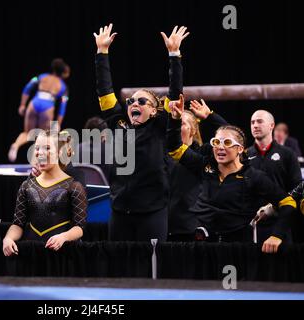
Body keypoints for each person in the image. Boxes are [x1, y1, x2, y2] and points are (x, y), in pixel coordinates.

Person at [94, 24, 188, 241]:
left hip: (152, 212)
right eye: (131, 101)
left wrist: (174, 54)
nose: (134, 103)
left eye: (141, 101)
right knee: (119, 266)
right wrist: (102, 53)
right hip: (120, 211)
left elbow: (175, 96)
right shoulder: (119, 124)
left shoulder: (159, 127)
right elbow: (105, 91)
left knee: (151, 265)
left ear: (155, 110)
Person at [167, 99, 296, 253]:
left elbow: (288, 202)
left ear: (240, 149)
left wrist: (277, 235)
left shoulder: (253, 176)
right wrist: (175, 119)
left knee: (231, 276)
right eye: (216, 142)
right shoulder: (205, 166)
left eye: (227, 143)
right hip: (203, 245)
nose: (220, 147)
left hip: (237, 248)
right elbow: (174, 148)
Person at [2, 130, 87, 256]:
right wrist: (8, 238)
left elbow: (80, 227)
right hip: (31, 252)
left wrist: (64, 237)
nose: (40, 153)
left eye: (47, 148)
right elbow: (18, 224)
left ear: (59, 152)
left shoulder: (74, 186)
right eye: (37, 148)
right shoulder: (26, 186)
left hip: (62, 253)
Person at [167, 99, 228, 241]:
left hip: (192, 227)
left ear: (192, 130)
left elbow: (231, 138)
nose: (175, 127)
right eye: (174, 123)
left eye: (181, 123)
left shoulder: (204, 152)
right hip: (164, 226)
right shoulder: (163, 154)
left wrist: (210, 116)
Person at [247, 110, 302, 243]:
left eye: (260, 121)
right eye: (252, 122)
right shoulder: (244, 155)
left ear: (272, 126)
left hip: (280, 224)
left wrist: (274, 208)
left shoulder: (287, 154)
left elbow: (298, 189)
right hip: (252, 225)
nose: (255, 125)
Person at [8, 58, 70, 163]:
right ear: (63, 72)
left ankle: (16, 145)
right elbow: (62, 108)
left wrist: (22, 105)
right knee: (42, 135)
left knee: (27, 133)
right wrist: (58, 123)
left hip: (34, 102)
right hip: (47, 106)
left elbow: (27, 88)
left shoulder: (41, 77)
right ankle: (35, 162)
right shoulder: (63, 87)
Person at [76, 116, 112, 182]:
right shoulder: (111, 151)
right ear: (104, 134)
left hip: (82, 190)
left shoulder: (77, 148)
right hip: (104, 191)